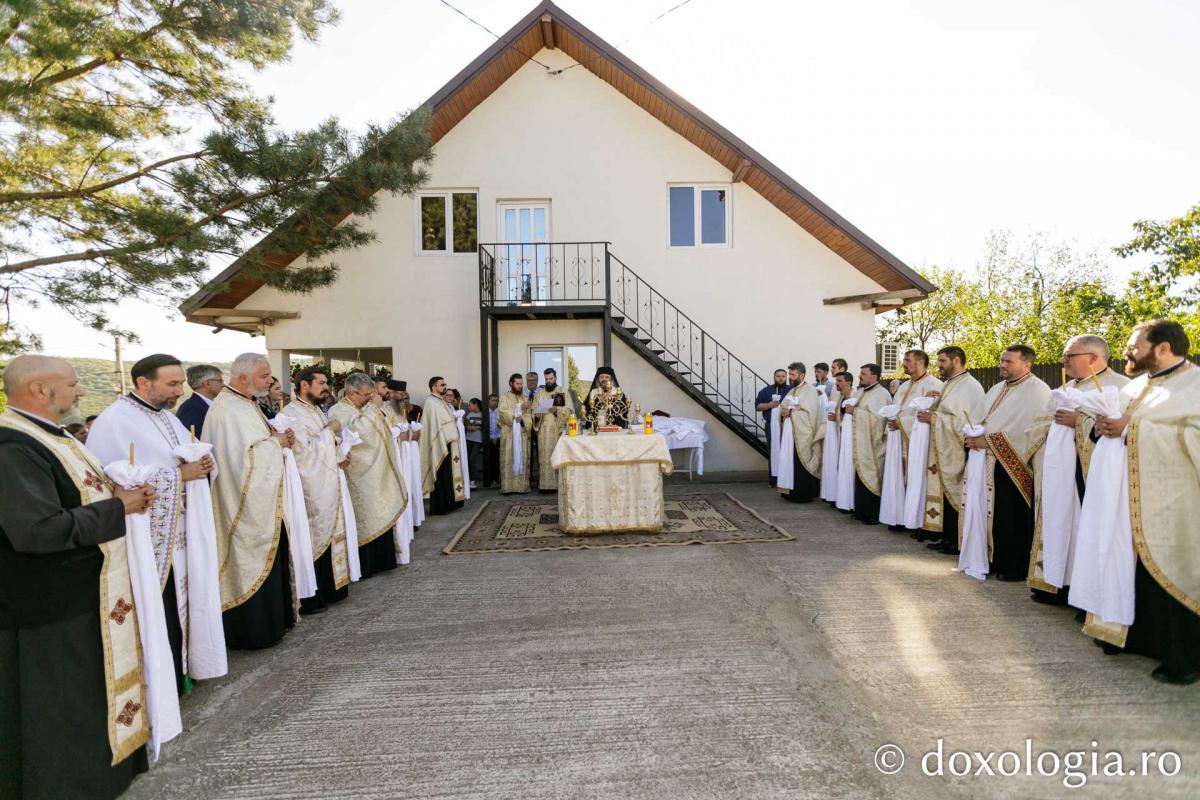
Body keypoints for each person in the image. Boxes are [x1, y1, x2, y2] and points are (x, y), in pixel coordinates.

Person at [1, 355, 156, 799]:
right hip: (48, 606)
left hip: (86, 595)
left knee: (86, 693)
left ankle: (104, 772)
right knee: (60, 704)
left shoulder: (53, 437)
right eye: (71, 385)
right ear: (39, 391)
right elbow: (37, 530)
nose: (80, 391)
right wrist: (118, 507)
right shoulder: (13, 446)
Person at [86, 353, 225, 694]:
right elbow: (113, 481)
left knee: (182, 603)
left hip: (179, 533)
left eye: (180, 382)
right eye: (172, 384)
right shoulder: (114, 421)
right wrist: (181, 474)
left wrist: (204, 463)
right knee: (157, 608)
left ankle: (183, 671)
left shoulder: (166, 417)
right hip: (147, 539)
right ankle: (161, 685)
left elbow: (189, 455)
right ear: (143, 383)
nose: (179, 390)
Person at [1093, 320, 1198, 684]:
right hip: (1127, 497)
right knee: (1128, 565)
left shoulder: (1195, 385)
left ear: (1163, 347)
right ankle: (1132, 635)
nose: (1128, 352)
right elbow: (1115, 427)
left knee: (1172, 567)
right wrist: (1100, 426)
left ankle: (1184, 659)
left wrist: (1132, 430)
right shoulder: (1135, 386)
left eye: (1135, 345)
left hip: (1175, 499)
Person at [202, 352, 296, 650]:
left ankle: (276, 621)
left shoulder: (246, 404)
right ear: (243, 377)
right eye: (265, 376)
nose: (270, 381)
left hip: (265, 501)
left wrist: (276, 438)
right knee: (249, 560)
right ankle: (254, 631)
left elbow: (255, 443)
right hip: (243, 505)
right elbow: (238, 460)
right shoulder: (226, 410)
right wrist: (275, 444)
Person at [1028, 335, 1128, 604]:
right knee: (1060, 524)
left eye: (1070, 356)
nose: (1064, 361)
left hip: (1094, 476)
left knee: (1089, 530)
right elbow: (1039, 424)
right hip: (1062, 474)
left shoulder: (1121, 387)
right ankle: (1057, 582)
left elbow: (1123, 431)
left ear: (1094, 358)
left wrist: (1079, 421)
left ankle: (1088, 595)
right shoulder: (1063, 388)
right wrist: (1056, 426)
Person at [962, 345, 1052, 581]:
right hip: (988, 461)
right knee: (991, 514)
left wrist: (988, 442)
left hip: (1015, 464)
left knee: (1011, 516)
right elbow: (983, 416)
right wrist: (973, 432)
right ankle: (991, 559)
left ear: (1027, 364)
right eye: (1002, 360)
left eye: (1008, 361)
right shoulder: (997, 388)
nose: (1002, 364)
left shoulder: (1038, 391)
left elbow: (1029, 432)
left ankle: (1015, 566)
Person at [278, 366, 357, 612]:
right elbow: (304, 452)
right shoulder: (292, 414)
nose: (326, 388)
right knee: (315, 536)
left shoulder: (315, 410)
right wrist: (331, 431)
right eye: (322, 383)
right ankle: (315, 594)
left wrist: (339, 453)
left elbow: (324, 444)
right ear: (304, 385)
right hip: (311, 487)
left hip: (329, 480)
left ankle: (334, 588)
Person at [329, 372, 407, 579]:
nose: (370, 398)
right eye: (366, 395)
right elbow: (360, 435)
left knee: (381, 510)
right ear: (352, 393)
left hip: (377, 472)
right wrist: (373, 409)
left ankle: (384, 560)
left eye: (371, 394)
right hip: (358, 475)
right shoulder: (339, 410)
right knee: (367, 515)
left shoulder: (361, 408)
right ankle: (368, 565)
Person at [920, 347, 985, 554]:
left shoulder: (969, 387)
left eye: (942, 361)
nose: (938, 365)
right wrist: (932, 403)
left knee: (956, 494)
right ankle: (947, 537)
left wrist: (934, 418)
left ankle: (958, 541)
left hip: (959, 450)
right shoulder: (949, 384)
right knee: (945, 495)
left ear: (956, 360)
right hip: (944, 448)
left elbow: (964, 421)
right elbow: (945, 412)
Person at [885, 350, 943, 533]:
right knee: (900, 478)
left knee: (917, 479)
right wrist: (891, 422)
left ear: (920, 363)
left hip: (920, 445)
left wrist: (900, 422)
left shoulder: (934, 385)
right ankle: (901, 516)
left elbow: (928, 415)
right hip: (900, 441)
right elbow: (897, 410)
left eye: (907, 360)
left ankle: (918, 520)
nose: (904, 363)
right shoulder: (903, 386)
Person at [847, 363, 890, 525]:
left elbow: (879, 420)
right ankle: (861, 510)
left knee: (871, 476)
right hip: (861, 443)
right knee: (859, 476)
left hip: (873, 446)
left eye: (863, 374)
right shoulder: (860, 392)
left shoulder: (881, 394)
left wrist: (855, 412)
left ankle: (872, 513)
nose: (860, 376)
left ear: (874, 376)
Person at [777, 362, 824, 503]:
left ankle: (802, 493)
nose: (790, 377)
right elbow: (784, 407)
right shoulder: (792, 391)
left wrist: (791, 412)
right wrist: (783, 411)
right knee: (790, 460)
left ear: (801, 375)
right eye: (790, 374)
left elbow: (811, 413)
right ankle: (789, 490)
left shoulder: (809, 390)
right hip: (790, 434)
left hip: (803, 433)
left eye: (792, 374)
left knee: (800, 463)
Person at [419, 376, 466, 515]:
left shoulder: (440, 401)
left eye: (445, 384)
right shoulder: (431, 402)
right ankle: (441, 506)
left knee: (449, 475)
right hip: (440, 444)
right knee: (442, 475)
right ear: (434, 387)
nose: (445, 387)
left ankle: (452, 503)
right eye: (442, 385)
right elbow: (434, 426)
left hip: (449, 443)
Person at [532, 367, 574, 492]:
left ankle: (557, 485)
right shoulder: (540, 394)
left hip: (558, 431)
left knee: (557, 456)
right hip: (543, 432)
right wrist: (536, 415)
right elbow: (534, 409)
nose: (548, 381)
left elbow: (570, 411)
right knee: (544, 458)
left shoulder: (563, 391)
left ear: (555, 378)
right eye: (546, 379)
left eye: (551, 379)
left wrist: (557, 410)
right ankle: (545, 485)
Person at [499, 373, 532, 494]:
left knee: (522, 458)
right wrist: (516, 415)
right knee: (509, 458)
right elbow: (502, 413)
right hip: (509, 436)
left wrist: (523, 420)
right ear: (511, 384)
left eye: (521, 383)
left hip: (521, 435)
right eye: (517, 383)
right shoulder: (504, 398)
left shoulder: (525, 399)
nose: (520, 386)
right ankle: (508, 487)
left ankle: (521, 487)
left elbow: (528, 416)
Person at [755, 368, 789, 486]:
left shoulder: (791, 390)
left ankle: (786, 478)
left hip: (787, 426)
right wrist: (770, 405)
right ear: (774, 377)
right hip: (771, 426)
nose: (780, 378)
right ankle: (774, 480)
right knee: (773, 450)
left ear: (786, 377)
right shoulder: (766, 391)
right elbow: (758, 406)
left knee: (786, 450)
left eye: (783, 376)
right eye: (778, 376)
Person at [176, 364, 223, 434]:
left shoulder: (202, 405)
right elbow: (194, 441)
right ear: (207, 383)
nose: (223, 385)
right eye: (220, 381)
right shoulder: (191, 410)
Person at [465, 398, 483, 489]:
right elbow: (467, 426)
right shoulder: (469, 415)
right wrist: (475, 427)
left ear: (476, 404)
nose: (469, 406)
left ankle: (473, 480)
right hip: (468, 439)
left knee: (472, 459)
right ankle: (467, 479)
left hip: (478, 440)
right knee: (466, 459)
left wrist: (474, 427)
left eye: (470, 404)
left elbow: (483, 427)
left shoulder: (483, 415)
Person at [484, 393, 500, 488]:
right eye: (492, 400)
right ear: (489, 401)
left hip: (498, 439)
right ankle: (489, 480)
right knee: (489, 460)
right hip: (488, 440)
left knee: (497, 460)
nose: (494, 402)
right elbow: (485, 427)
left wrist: (497, 437)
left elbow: (501, 426)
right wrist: (491, 438)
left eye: (496, 400)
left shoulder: (499, 412)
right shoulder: (485, 413)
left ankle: (496, 479)